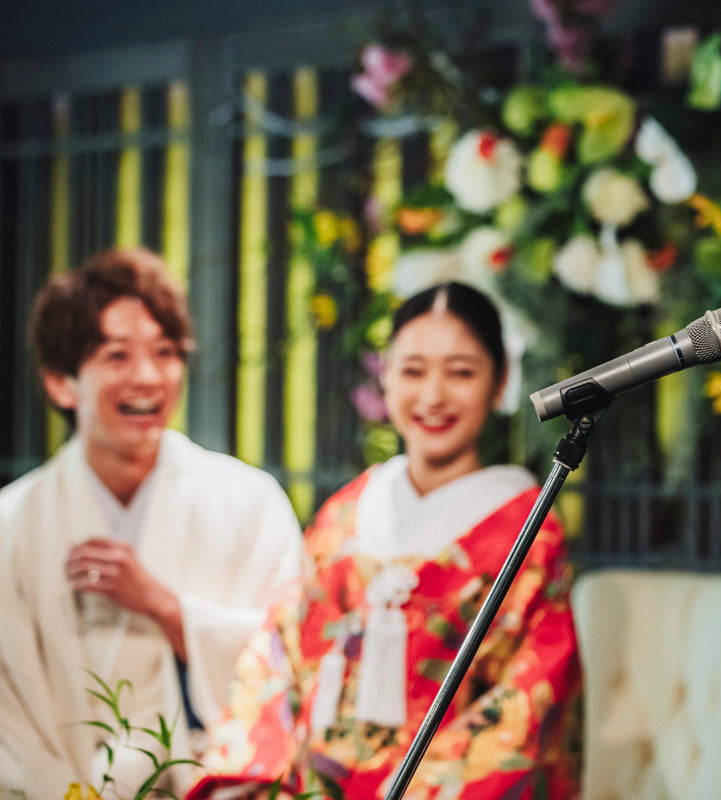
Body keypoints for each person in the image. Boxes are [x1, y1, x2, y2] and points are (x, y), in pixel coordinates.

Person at [188, 282, 582, 799]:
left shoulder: (528, 532)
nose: (433, 395)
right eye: (413, 370)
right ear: (386, 377)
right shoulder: (348, 513)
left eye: (461, 372)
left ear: (500, 380)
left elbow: (525, 705)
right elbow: (278, 651)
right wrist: (257, 776)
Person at [0, 247, 303, 798]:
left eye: (165, 353)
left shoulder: (249, 503)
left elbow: (294, 659)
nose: (148, 377)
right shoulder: (10, 526)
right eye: (116, 356)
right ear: (61, 382)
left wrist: (165, 607)